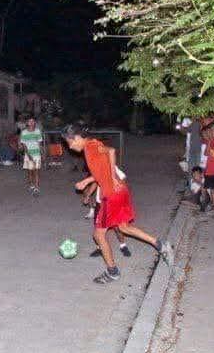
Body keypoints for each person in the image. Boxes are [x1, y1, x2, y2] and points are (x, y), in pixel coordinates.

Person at [62, 123, 173, 283]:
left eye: (70, 142)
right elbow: (102, 169)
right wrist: (86, 181)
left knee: (98, 235)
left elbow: (112, 151)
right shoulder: (92, 145)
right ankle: (161, 245)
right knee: (124, 227)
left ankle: (112, 271)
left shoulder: (90, 147)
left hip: (111, 194)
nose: (70, 147)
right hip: (120, 191)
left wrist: (113, 175)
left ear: (78, 138)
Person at [19, 117, 44, 195]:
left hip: (37, 154)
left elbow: (40, 143)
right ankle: (31, 184)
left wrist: (42, 153)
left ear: (35, 123)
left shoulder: (37, 131)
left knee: (36, 170)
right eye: (30, 121)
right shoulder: (24, 132)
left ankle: (36, 187)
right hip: (29, 154)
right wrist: (28, 154)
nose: (31, 123)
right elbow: (24, 145)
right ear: (27, 123)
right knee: (30, 171)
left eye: (33, 121)